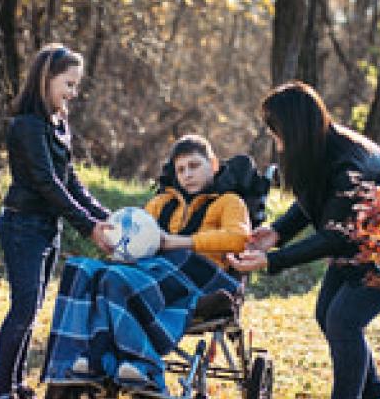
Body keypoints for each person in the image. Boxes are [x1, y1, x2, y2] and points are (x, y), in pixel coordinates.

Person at [228, 81, 380, 399]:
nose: (274, 137)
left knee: (343, 321)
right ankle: (376, 394)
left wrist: (273, 260)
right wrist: (278, 232)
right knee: (327, 312)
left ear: (294, 128)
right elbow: (313, 201)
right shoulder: (318, 148)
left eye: (276, 129)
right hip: (357, 246)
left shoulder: (349, 163)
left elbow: (334, 236)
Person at [43, 135, 252, 398]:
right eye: (180, 169)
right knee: (83, 270)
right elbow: (137, 242)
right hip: (152, 274)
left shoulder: (229, 202)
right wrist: (116, 241)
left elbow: (238, 238)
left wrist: (177, 242)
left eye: (194, 166)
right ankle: (82, 362)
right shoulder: (160, 204)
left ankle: (143, 367)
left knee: (119, 277)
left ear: (213, 164)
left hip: (200, 278)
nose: (187, 174)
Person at [0, 43, 114, 399]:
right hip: (22, 227)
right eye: (68, 84)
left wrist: (106, 216)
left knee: (32, 309)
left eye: (76, 85)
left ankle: (15, 385)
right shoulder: (27, 126)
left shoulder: (58, 123)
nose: (73, 93)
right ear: (46, 79)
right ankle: (1, 392)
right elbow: (48, 184)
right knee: (23, 308)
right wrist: (89, 226)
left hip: (47, 228)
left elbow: (71, 180)